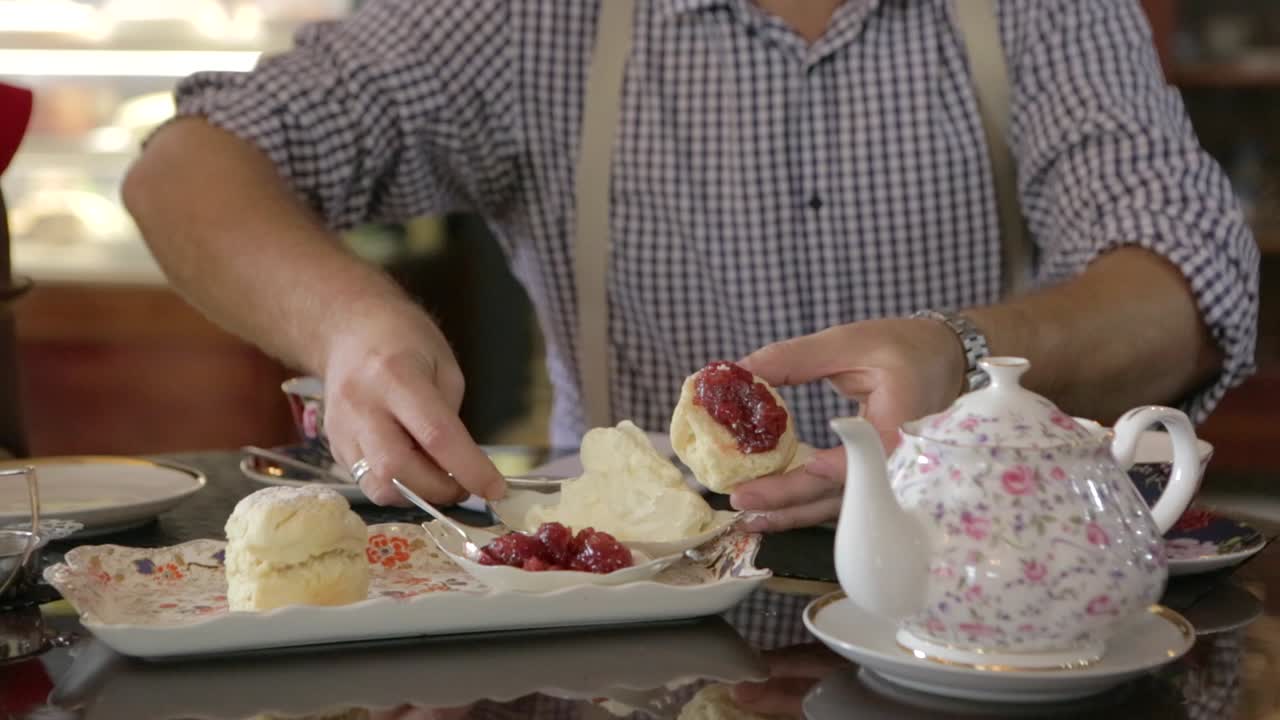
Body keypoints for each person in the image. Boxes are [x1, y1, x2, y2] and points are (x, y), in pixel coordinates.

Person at [123, 0, 1259, 532]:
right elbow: (185, 170)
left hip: (977, 603)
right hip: (626, 626)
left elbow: (1183, 280)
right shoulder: (526, 18)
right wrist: (351, 330)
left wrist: (959, 357)